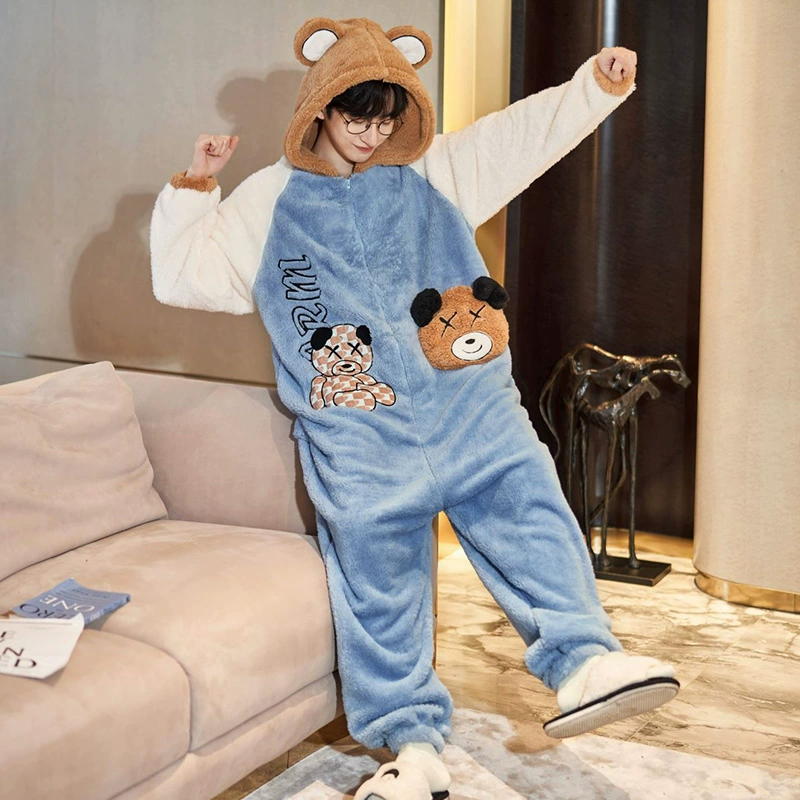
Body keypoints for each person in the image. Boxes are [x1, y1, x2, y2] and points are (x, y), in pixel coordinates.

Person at [150, 17, 679, 800]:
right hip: (358, 431)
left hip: (469, 407)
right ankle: (412, 749)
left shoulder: (436, 171)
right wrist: (194, 189)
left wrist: (592, 90)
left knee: (530, 515)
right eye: (356, 117)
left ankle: (586, 662)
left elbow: (516, 139)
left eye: (386, 118)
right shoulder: (269, 201)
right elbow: (182, 278)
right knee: (380, 588)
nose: (371, 135)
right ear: (320, 108)